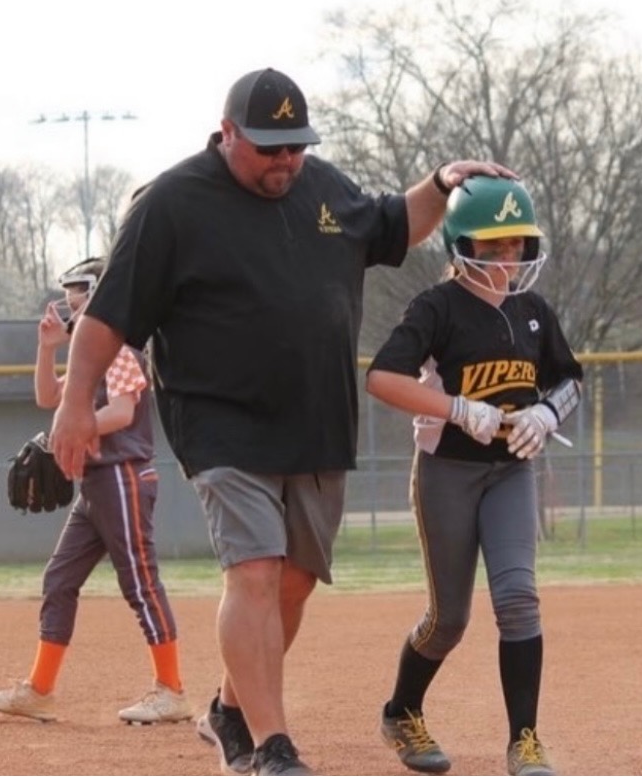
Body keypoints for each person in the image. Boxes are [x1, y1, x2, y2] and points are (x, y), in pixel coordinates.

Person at [46, 66, 514, 776]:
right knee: (255, 571)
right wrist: (76, 402)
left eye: (296, 145)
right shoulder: (172, 204)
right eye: (270, 147)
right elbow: (106, 317)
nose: (286, 160)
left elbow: (398, 224)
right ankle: (271, 745)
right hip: (220, 422)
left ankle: (228, 709)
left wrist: (441, 182)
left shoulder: (322, 186)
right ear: (227, 133)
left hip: (317, 421)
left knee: (294, 581)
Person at [365, 176, 583, 777]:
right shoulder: (437, 308)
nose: (508, 256)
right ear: (461, 246)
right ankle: (401, 711)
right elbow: (382, 378)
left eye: (516, 243)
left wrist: (547, 412)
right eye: (493, 244)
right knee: (449, 620)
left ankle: (525, 741)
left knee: (518, 599)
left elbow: (570, 378)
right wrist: (458, 408)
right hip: (447, 471)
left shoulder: (533, 311)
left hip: (510, 472)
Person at [0, 256, 191, 725]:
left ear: (99, 294)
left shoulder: (121, 351)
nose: (69, 300)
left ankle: (172, 690)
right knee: (59, 579)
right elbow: (47, 397)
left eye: (77, 291)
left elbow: (121, 412)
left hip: (123, 477)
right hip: (96, 484)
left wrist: (73, 430)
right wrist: (47, 349)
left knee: (140, 583)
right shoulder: (87, 359)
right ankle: (39, 691)